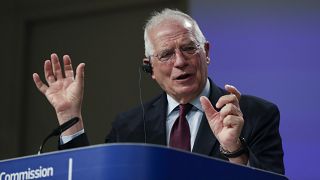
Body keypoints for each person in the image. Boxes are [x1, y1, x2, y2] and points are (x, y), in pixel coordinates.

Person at [32, 9, 284, 174]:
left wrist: (234, 149)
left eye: (188, 48)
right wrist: (69, 117)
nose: (179, 62)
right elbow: (90, 176)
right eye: (165, 54)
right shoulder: (128, 126)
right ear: (149, 68)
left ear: (206, 52)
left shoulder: (254, 114)